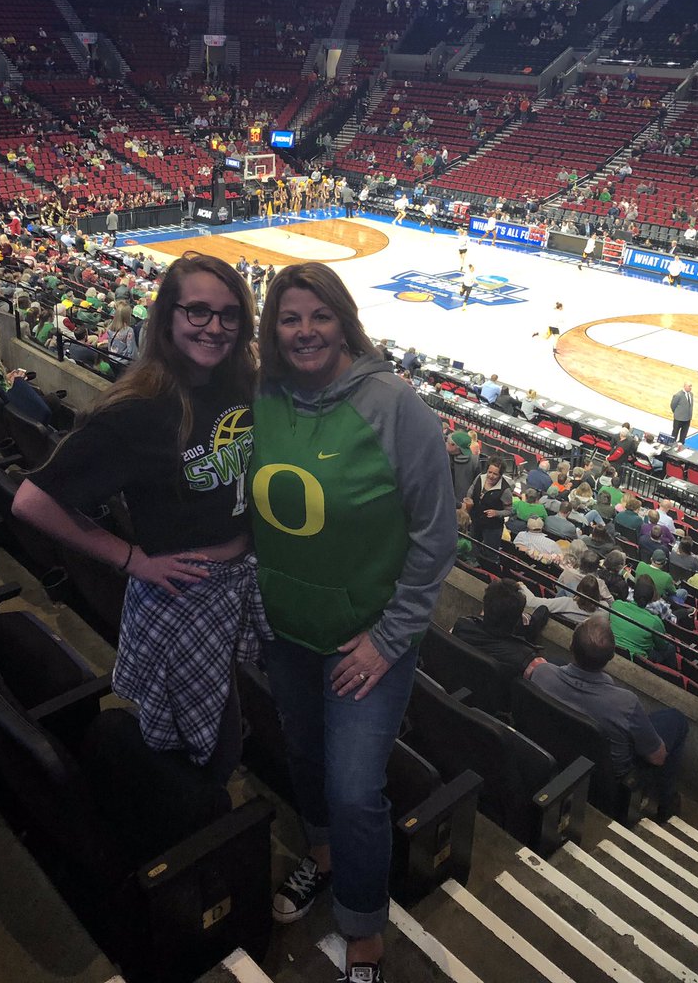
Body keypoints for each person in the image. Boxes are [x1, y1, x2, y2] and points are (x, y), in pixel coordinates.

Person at [248, 262, 456, 983]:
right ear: (272, 328)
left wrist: (389, 639)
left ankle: (363, 924)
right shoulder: (259, 394)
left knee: (355, 789)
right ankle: (322, 855)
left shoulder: (395, 406)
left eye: (319, 316)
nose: (305, 331)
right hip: (284, 631)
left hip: (367, 642)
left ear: (344, 322)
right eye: (289, 318)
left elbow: (436, 537)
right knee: (304, 758)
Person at [11, 253, 264, 781]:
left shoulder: (239, 382)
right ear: (168, 316)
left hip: (240, 583)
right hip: (184, 594)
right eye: (198, 311)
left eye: (229, 314)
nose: (215, 327)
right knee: (208, 750)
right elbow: (32, 501)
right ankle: (190, 820)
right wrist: (131, 559)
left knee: (224, 723)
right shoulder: (138, 408)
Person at [529, 616, 687, 821]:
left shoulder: (541, 673)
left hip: (556, 754)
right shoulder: (625, 704)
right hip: (609, 779)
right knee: (676, 720)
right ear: (611, 657)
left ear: (571, 646)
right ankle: (666, 804)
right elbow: (657, 758)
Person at [465, 456, 513, 565]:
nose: (491, 476)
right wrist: (469, 499)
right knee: (473, 547)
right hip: (476, 521)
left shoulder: (505, 490)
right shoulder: (480, 477)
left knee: (490, 554)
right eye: (489, 472)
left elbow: (509, 510)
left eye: (495, 474)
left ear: (500, 475)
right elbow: (471, 489)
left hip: (492, 527)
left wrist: (497, 513)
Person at [670, 382, 694, 446]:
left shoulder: (691, 394)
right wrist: (677, 413)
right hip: (678, 418)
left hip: (687, 418)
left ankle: (681, 445)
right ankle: (671, 445)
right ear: (685, 386)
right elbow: (673, 405)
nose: (691, 388)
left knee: (684, 434)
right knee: (675, 433)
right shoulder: (678, 395)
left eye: (691, 386)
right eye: (689, 386)